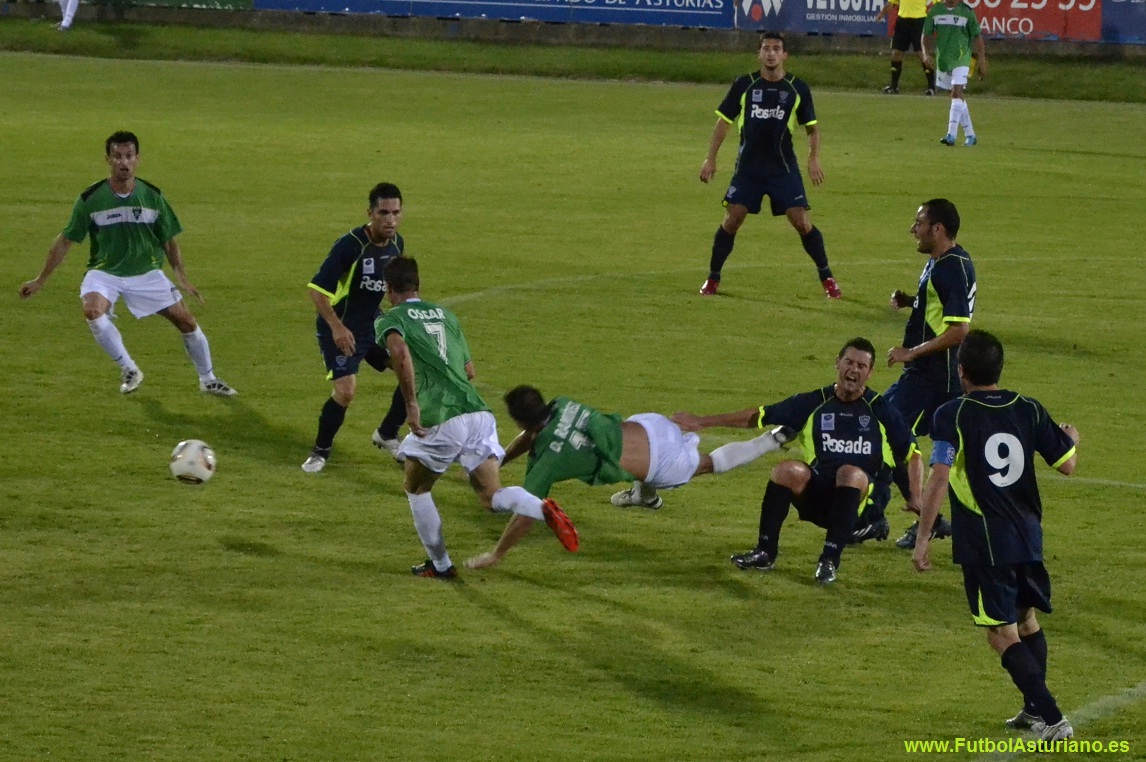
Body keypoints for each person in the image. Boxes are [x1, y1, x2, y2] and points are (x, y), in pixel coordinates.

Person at [912, 330, 1079, 742]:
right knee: (1026, 620)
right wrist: (1071, 440)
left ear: (961, 371)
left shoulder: (952, 414)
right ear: (999, 368)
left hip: (985, 541)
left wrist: (922, 536)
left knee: (1000, 634)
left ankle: (1054, 719)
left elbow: (939, 476)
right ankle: (1033, 709)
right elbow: (1067, 464)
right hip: (1028, 535)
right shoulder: (1028, 408)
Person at [374, 257, 579, 578]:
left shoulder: (391, 319)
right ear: (418, 285)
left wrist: (412, 402)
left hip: (441, 416)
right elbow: (469, 370)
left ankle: (441, 565)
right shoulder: (447, 316)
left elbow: (399, 354)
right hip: (478, 413)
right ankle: (541, 508)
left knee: (416, 488)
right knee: (491, 497)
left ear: (388, 289)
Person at [672, 338, 922, 585]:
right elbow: (760, 415)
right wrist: (702, 421)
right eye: (849, 362)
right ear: (837, 362)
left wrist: (916, 495)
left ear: (870, 373)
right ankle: (765, 552)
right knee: (786, 470)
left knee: (849, 473)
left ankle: (829, 560)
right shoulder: (815, 403)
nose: (853, 370)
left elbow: (913, 455)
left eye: (861, 366)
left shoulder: (880, 410)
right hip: (823, 496)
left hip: (863, 505)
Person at [464, 386, 793, 570]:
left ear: (519, 420)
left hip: (663, 463)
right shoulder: (563, 404)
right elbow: (533, 433)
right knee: (629, 455)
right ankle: (643, 497)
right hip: (652, 425)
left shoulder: (547, 460)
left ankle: (770, 440)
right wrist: (502, 460)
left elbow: (526, 514)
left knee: (708, 464)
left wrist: (497, 554)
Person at [19, 131, 236, 397]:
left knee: (187, 322)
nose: (124, 162)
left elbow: (169, 241)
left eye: (129, 156)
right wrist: (40, 280)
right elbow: (65, 240)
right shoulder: (91, 199)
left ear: (137, 159)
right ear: (108, 160)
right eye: (117, 156)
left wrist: (181, 276)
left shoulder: (152, 196)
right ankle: (129, 368)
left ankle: (208, 379)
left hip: (146, 272)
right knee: (92, 311)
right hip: (105, 271)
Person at [854, 199, 975, 549]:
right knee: (898, 436)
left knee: (884, 430)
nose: (913, 229)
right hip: (930, 374)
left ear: (938, 228)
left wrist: (911, 352)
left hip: (934, 376)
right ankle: (924, 519)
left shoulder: (950, 268)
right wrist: (911, 301)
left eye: (919, 223)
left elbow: (959, 330)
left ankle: (876, 517)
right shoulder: (943, 260)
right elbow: (939, 308)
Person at [698, 31, 841, 300]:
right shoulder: (745, 84)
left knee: (801, 222)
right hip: (748, 169)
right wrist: (711, 158)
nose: (771, 53)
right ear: (759, 54)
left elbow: (812, 128)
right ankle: (713, 278)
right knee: (732, 219)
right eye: (766, 48)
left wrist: (813, 158)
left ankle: (828, 278)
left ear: (785, 55)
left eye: (776, 49)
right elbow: (723, 122)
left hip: (782, 169)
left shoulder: (797, 88)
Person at [301, 183, 413, 474]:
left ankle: (388, 433)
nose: (390, 220)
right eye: (383, 213)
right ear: (370, 213)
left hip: (372, 324)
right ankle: (320, 451)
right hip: (341, 325)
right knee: (346, 390)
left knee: (411, 369)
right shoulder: (350, 245)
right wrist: (337, 328)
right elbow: (317, 291)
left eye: (396, 213)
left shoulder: (397, 244)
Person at [923, 0, 988, 146]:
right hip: (944, 60)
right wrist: (926, 53)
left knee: (956, 91)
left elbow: (977, 37)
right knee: (957, 96)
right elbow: (926, 34)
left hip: (963, 58)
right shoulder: (935, 11)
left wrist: (982, 60)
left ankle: (951, 135)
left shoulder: (966, 12)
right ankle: (970, 135)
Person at [875, 0, 937, 95]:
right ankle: (894, 87)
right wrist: (881, 13)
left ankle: (931, 87)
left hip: (920, 21)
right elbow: (892, 3)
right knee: (896, 53)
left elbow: (938, 3)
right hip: (903, 21)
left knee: (921, 53)